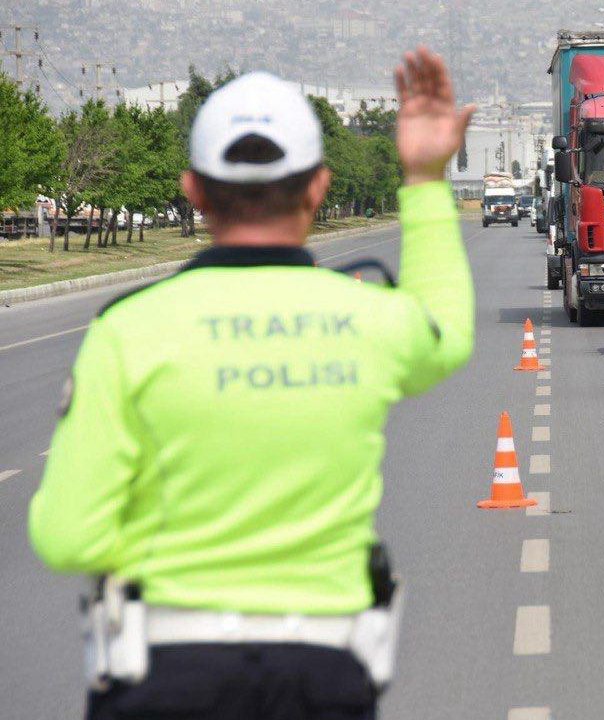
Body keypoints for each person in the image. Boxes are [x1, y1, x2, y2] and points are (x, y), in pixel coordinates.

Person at [27, 47, 475, 720]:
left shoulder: (128, 331)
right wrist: (425, 178)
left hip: (164, 672)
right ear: (320, 187)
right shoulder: (368, 318)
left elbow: (68, 538)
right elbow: (447, 330)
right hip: (323, 674)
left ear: (194, 191)